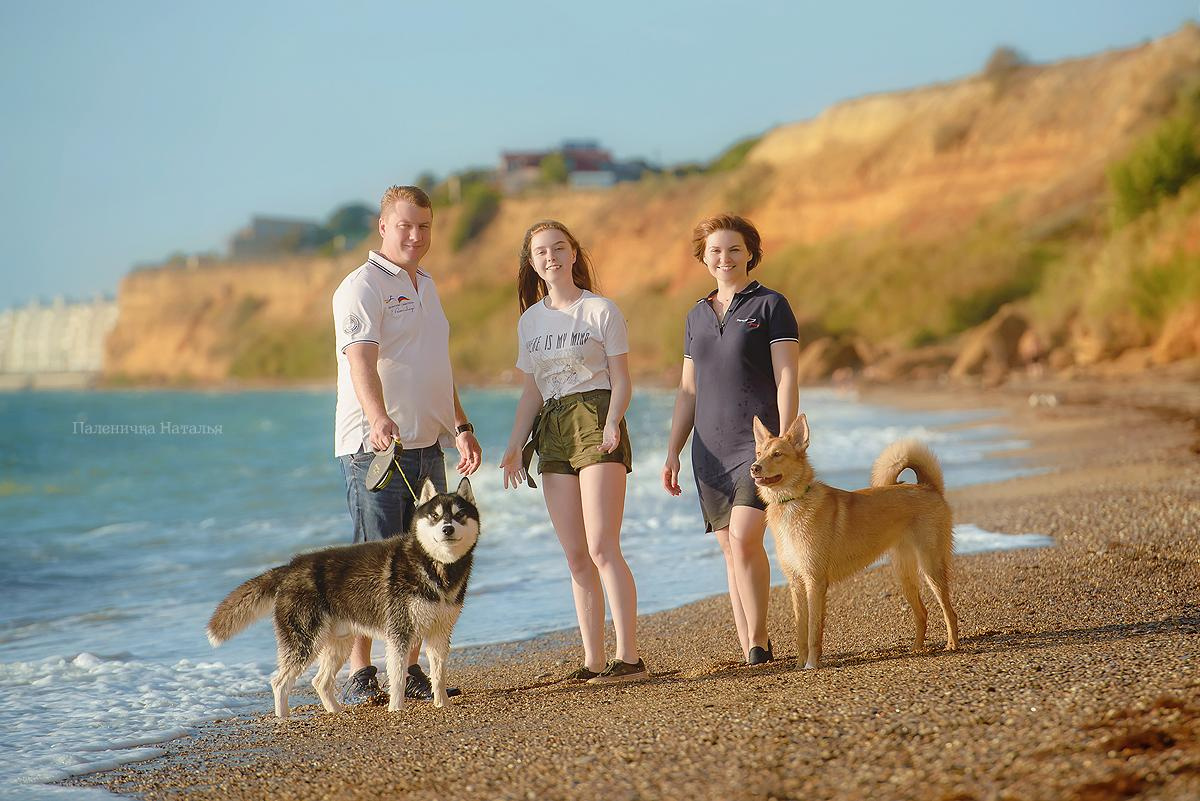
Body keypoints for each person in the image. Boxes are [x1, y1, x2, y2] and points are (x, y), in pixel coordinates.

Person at [331, 185, 482, 704]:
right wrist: (378, 417)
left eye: (424, 226)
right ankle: (359, 673)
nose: (415, 236)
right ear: (383, 227)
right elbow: (359, 359)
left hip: (427, 445)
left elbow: (436, 369)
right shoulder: (361, 286)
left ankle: (412, 669)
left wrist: (460, 424)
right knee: (374, 565)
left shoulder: (429, 286)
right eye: (405, 226)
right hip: (375, 449)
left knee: (429, 562)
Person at [499, 220, 649, 684]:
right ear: (532, 262)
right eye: (541, 252)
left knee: (604, 546)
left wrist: (611, 423)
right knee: (575, 554)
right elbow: (531, 391)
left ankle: (630, 659)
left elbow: (622, 379)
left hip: (597, 417)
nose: (551, 257)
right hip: (553, 430)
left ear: (573, 253)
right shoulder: (530, 320)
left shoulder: (600, 310)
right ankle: (593, 661)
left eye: (559, 248)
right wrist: (513, 446)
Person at [662, 214, 800, 665]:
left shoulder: (771, 306)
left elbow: (787, 377)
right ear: (703, 257)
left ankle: (759, 643)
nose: (725, 258)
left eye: (735, 249)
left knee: (744, 537)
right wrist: (672, 451)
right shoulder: (695, 315)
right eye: (715, 250)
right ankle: (748, 644)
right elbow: (687, 390)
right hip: (709, 448)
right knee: (728, 547)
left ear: (750, 253)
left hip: (758, 447)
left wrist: (784, 438)